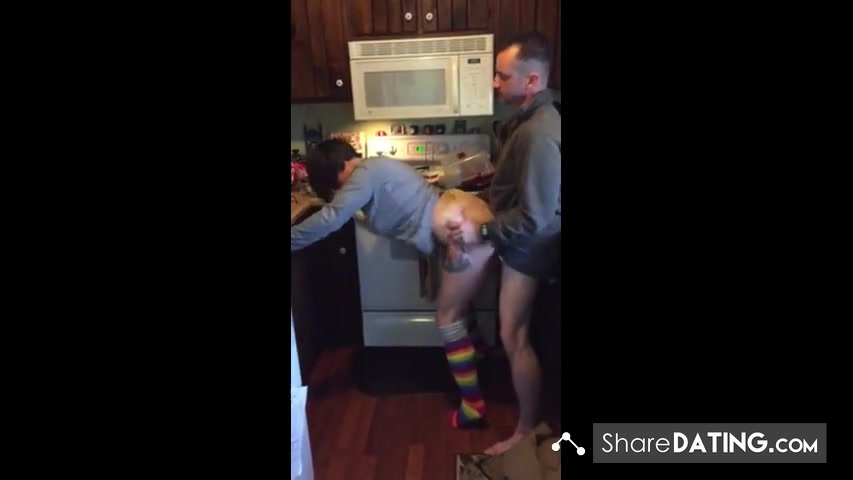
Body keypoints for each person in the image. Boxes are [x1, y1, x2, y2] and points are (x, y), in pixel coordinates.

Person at [291, 138, 495, 428]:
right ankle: (479, 356)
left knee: (447, 318)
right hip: (463, 224)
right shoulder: (376, 168)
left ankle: (473, 405)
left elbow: (330, 218)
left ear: (339, 168)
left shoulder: (364, 174)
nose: (340, 190)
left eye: (335, 184)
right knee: (460, 305)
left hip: (462, 235)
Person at [449, 31, 562, 455]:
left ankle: (526, 430)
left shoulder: (539, 132)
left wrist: (481, 231)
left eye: (503, 75)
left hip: (528, 249)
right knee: (514, 334)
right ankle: (527, 423)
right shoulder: (528, 120)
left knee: (514, 336)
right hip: (521, 243)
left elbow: (536, 216)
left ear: (531, 80)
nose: (495, 82)